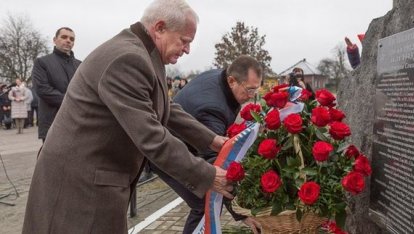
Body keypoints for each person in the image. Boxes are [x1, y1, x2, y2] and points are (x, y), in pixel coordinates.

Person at [22, 1, 233, 233]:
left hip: (96, 176)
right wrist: (208, 175)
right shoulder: (128, 58)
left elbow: (166, 108)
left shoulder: (146, 54)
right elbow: (151, 136)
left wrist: (213, 140)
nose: (187, 50)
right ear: (160, 28)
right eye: (184, 41)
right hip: (79, 184)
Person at [151, 55, 263, 234]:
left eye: (256, 89)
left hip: (186, 144)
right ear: (232, 80)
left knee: (209, 200)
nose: (252, 96)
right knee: (206, 201)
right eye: (249, 90)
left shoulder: (222, 78)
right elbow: (217, 165)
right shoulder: (212, 109)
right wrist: (241, 213)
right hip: (164, 151)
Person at [31, 27, 81, 142]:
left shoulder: (80, 65)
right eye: (64, 37)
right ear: (55, 40)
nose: (68, 40)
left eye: (72, 39)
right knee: (53, 159)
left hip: (78, 122)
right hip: (53, 121)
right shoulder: (42, 62)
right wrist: (73, 101)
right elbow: (42, 89)